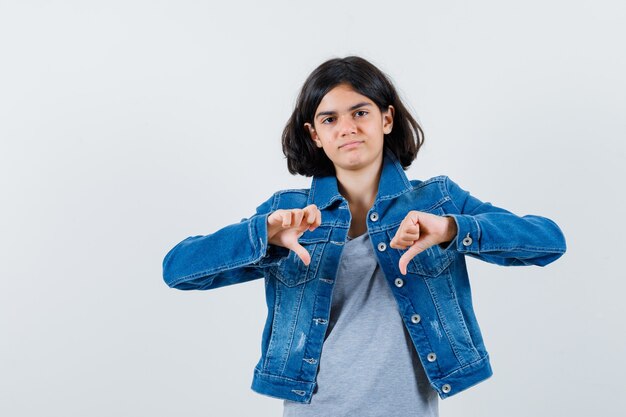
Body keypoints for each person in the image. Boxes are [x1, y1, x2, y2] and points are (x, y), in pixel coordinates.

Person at [162, 56, 567, 417]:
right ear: (314, 134)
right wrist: (264, 234)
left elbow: (548, 242)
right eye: (329, 118)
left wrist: (451, 229)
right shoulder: (287, 214)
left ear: (386, 119)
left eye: (360, 112)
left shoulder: (438, 200)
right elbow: (178, 270)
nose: (347, 128)